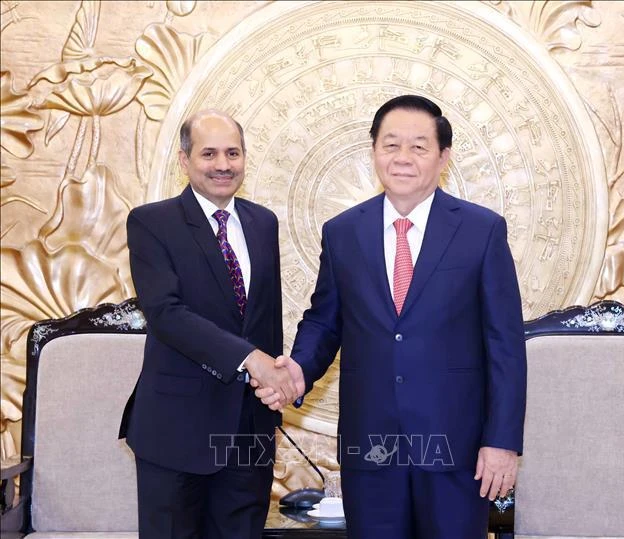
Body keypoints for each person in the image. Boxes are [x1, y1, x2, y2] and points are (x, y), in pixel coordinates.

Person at [256, 95, 527, 538]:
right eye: (391, 145)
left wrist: (501, 442)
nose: (403, 158)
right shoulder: (343, 232)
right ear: (374, 151)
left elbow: (505, 346)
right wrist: (300, 370)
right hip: (372, 446)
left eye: (419, 147)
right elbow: (325, 320)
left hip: (454, 448)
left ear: (443, 157)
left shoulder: (482, 231)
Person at [119, 109, 302, 539]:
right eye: (209, 153)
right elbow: (166, 314)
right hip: (176, 426)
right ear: (184, 160)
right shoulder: (151, 222)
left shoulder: (262, 223)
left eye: (233, 153)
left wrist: (273, 383)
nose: (223, 164)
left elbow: (263, 319)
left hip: (248, 428)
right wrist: (250, 359)